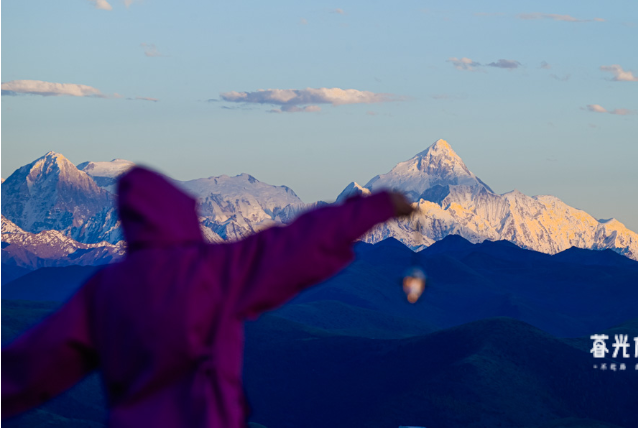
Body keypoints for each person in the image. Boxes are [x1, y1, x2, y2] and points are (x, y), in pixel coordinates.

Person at [1, 166, 414, 427]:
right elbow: (297, 245)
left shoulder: (104, 291)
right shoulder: (213, 269)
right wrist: (371, 208)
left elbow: (31, 365)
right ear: (179, 213)